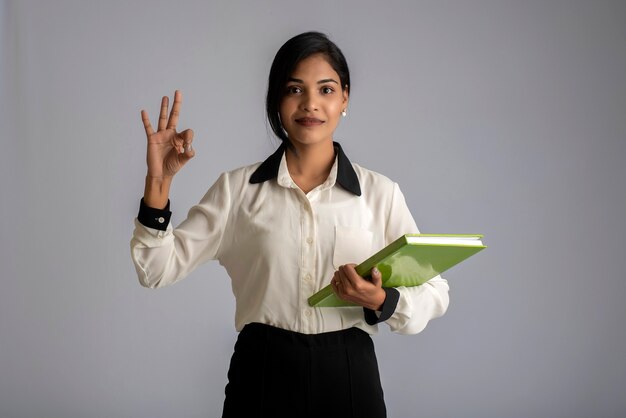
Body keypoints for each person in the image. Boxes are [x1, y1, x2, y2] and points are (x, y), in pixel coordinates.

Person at [130, 31, 449, 418]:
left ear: (345, 98)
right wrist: (158, 184)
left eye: (326, 90)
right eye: (295, 89)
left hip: (349, 375)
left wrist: (381, 301)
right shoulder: (237, 191)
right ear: (277, 101)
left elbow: (435, 292)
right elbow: (155, 269)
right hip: (262, 373)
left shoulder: (379, 193)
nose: (310, 104)